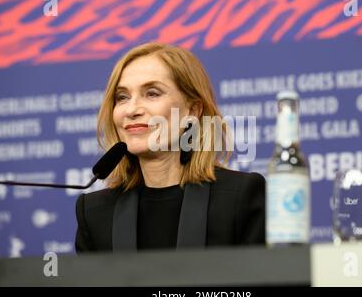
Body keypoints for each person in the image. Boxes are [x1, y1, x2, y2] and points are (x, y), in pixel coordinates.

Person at [75, 42, 265, 252]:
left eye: (152, 93)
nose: (131, 109)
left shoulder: (240, 198)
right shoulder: (94, 213)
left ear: (192, 111)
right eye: (122, 97)